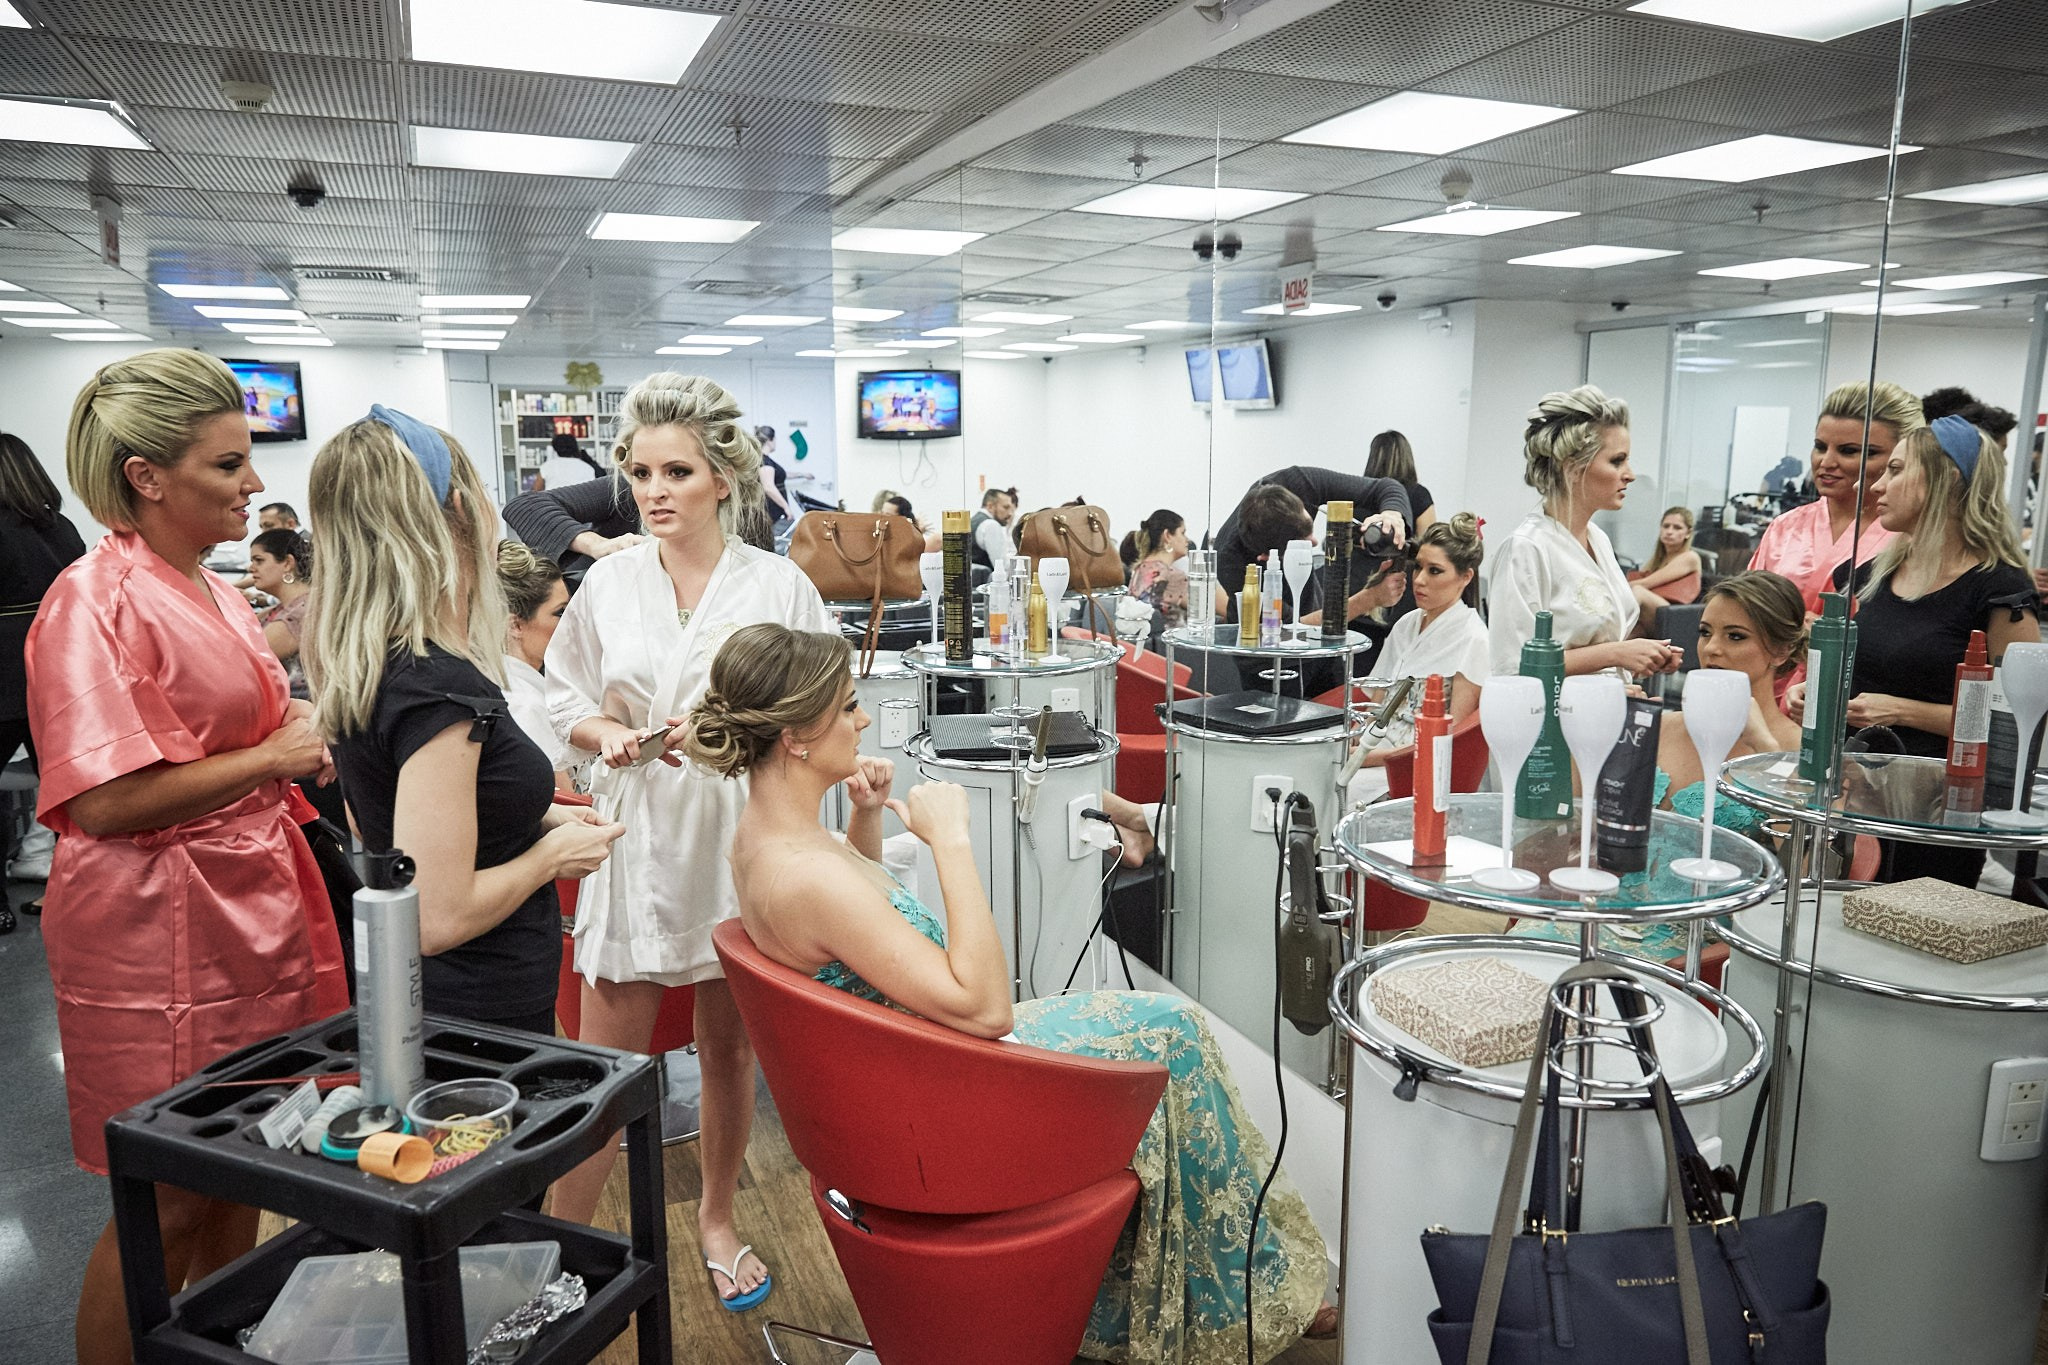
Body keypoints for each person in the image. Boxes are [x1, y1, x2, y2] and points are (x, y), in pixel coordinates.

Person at [695, 622, 1334, 1360]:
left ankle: (1179, 1294)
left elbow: (845, 941)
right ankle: (1239, 1304)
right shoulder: (806, 874)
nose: (864, 717)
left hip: (910, 1068)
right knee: (1177, 1040)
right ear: (794, 738)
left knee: (1162, 1029)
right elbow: (986, 1007)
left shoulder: (764, 841)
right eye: (846, 707)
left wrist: (866, 816)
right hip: (945, 1097)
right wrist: (952, 840)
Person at [27, 349, 349, 1365]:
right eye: (227, 465)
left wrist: (289, 734)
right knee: (164, 1199)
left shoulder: (205, 589)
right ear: (146, 476)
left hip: (252, 909)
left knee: (252, 1163)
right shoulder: (90, 601)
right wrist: (274, 752)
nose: (256, 485)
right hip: (152, 926)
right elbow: (108, 797)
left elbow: (223, 734)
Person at [543, 373, 832, 1312]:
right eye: (640, 472)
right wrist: (603, 736)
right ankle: (563, 1247)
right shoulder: (611, 582)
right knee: (607, 1060)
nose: (654, 490)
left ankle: (717, 1216)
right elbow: (563, 693)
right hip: (638, 828)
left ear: (722, 477)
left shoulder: (776, 583)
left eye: (677, 470)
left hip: (736, 831)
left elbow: (821, 706)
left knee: (727, 1047)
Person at [314, 409, 625, 1035]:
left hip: (432, 996)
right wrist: (552, 855)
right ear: (458, 508)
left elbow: (382, 821)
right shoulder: (440, 690)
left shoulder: (372, 662)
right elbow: (439, 917)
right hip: (478, 1002)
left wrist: (535, 815)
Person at [1793, 415, 2041, 888]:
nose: (1877, 486)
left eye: (1896, 470)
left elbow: (2018, 727)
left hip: (1940, 812)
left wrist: (1905, 712)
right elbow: (1851, 672)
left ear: (1946, 479)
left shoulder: (1998, 591)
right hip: (1852, 796)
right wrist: (1812, 692)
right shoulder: (1865, 577)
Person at [1520, 571, 1807, 957]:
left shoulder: (1793, 751)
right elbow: (1579, 825)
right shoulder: (1661, 725)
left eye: (1735, 636)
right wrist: (1593, 734)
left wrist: (1763, 746)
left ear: (1781, 651)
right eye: (1706, 632)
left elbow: (1799, 879)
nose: (1712, 649)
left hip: (1693, 942)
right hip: (1604, 908)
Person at [1487, 385, 1682, 683]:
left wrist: (1642, 656)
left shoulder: (1598, 539)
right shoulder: (1526, 549)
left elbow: (1602, 642)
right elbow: (1514, 665)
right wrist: (1616, 654)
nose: (1629, 474)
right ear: (1574, 467)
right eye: (1617, 461)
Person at [0, 432, 86, 922]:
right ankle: (75, 892)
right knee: (69, 791)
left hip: (5, 678)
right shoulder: (63, 528)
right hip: (61, 671)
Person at [1348, 513, 1491, 804]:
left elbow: (1450, 740)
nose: (1420, 580)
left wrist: (1370, 756)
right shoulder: (1407, 624)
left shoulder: (1474, 639)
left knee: (1336, 797)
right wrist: (1351, 742)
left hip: (1409, 766)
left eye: (1435, 571)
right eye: (1419, 568)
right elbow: (1376, 699)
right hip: (1371, 748)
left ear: (1466, 577)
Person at [1748, 381, 1919, 617]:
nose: (1826, 462)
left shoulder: (1911, 535)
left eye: (1849, 451)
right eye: (1820, 447)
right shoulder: (1785, 527)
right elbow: (1746, 613)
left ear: (1900, 458)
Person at [1217, 472, 1410, 626]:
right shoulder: (1234, 569)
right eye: (1302, 542)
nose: (1315, 541)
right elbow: (1290, 630)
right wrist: (1369, 599)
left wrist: (1391, 515)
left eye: (1309, 526)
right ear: (1266, 556)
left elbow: (1385, 487)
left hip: (1314, 606)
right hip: (1264, 655)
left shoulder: (1297, 484)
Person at [498, 540, 576, 789]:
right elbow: (570, 803)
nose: (572, 623)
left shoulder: (511, 685)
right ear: (516, 625)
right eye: (561, 613)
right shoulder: (526, 706)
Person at [505, 472, 647, 578]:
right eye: (643, 473)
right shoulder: (624, 490)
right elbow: (524, 506)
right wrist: (596, 544)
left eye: (670, 472)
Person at [1123, 507, 1223, 632]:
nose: (1187, 540)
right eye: (1182, 533)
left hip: (1145, 646)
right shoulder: (1173, 576)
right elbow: (1219, 610)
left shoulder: (1139, 569)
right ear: (1167, 536)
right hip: (1173, 646)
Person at [247, 527, 313, 700]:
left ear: (287, 563)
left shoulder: (301, 613)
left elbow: (242, 660)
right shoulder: (288, 608)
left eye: (259, 560)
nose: (251, 568)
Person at [1629, 506, 1703, 624]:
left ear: (1688, 533)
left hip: (1675, 615)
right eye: (1666, 526)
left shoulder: (1690, 557)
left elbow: (1645, 583)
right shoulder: (1659, 558)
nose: (1669, 531)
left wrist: (1614, 588)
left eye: (1677, 528)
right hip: (1657, 611)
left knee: (1638, 590)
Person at [971, 485, 1016, 572]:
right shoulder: (991, 525)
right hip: (986, 583)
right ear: (990, 506)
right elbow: (1002, 566)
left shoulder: (973, 520)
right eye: (1006, 507)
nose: (1010, 513)